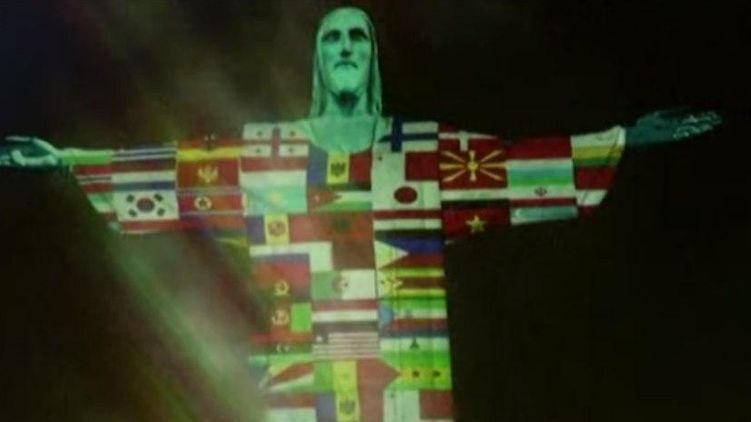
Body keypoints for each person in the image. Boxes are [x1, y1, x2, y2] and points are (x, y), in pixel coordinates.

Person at [0, 6, 722, 422]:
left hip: (402, 380)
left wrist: (622, 139)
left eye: (357, 37)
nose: (345, 48)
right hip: (303, 380)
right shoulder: (272, 155)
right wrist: (66, 159)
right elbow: (176, 170)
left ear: (371, 56)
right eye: (332, 38)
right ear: (318, 60)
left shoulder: (415, 152)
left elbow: (509, 166)